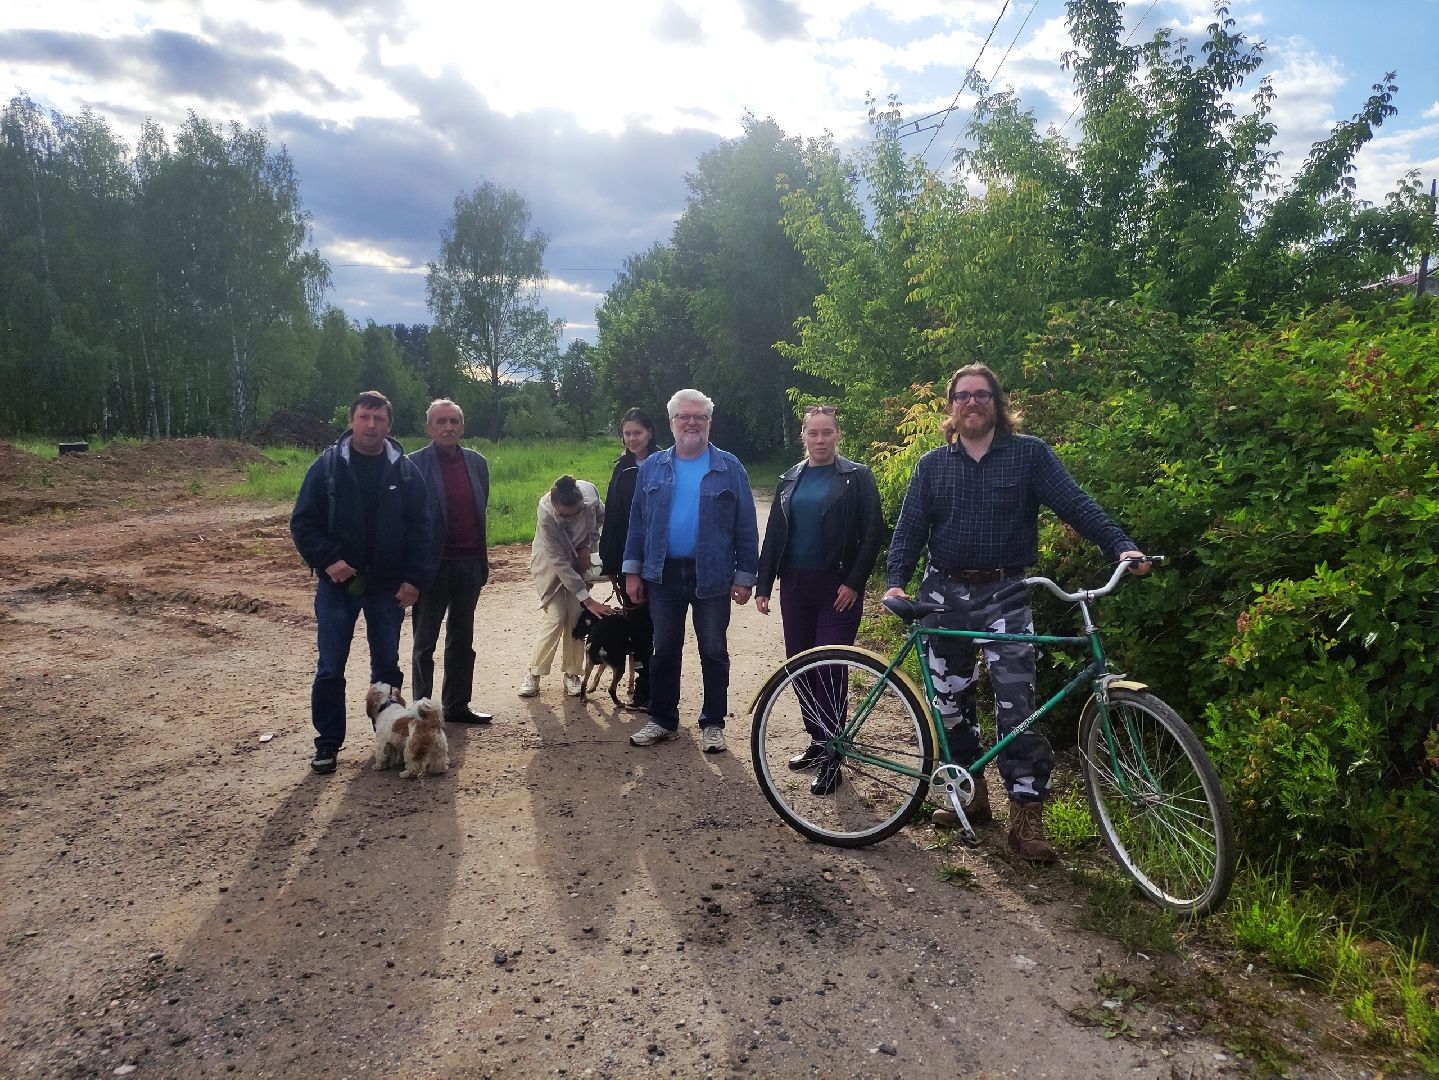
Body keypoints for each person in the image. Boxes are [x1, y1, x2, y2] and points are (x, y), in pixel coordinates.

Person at [885, 364, 1148, 860]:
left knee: (1018, 708)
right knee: (950, 706)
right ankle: (970, 794)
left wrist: (1121, 546)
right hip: (943, 595)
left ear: (997, 403)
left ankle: (1028, 818)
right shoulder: (931, 466)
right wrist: (896, 580)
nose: (972, 403)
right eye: (962, 396)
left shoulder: (1030, 456)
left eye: (982, 395)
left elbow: (1076, 504)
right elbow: (909, 530)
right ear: (951, 406)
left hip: (1007, 594)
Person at [290, 390, 436, 775]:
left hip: (388, 587)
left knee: (386, 667)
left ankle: (386, 741)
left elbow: (424, 530)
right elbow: (303, 523)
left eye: (379, 419)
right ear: (352, 421)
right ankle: (327, 744)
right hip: (339, 585)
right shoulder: (327, 468)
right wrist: (327, 560)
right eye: (364, 417)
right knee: (330, 667)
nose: (371, 425)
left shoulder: (405, 471)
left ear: (389, 425)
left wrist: (414, 581)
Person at [755, 404, 885, 795]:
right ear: (803, 437)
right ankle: (817, 740)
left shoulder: (857, 477)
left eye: (827, 433)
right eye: (813, 433)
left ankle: (833, 756)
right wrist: (763, 585)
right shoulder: (789, 478)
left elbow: (872, 532)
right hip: (795, 586)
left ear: (837, 435)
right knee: (800, 667)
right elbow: (775, 534)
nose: (820, 440)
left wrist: (854, 582)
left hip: (837, 590)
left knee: (829, 670)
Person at [622, 389, 759, 754]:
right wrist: (632, 572)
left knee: (713, 649)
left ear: (709, 422)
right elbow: (637, 523)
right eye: (685, 416)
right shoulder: (653, 467)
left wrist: (745, 576)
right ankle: (663, 719)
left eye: (700, 416)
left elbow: (746, 525)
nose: (692, 422)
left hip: (712, 575)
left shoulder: (730, 467)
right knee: (664, 648)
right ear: (671, 423)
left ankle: (713, 722)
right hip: (663, 575)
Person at [408, 398, 492, 726]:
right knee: (424, 643)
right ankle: (422, 712)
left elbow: (479, 510)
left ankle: (457, 705)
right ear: (429, 428)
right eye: (441, 422)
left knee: (462, 640)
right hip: (432, 568)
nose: (448, 427)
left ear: (462, 426)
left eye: (454, 421)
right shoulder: (413, 464)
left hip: (469, 564)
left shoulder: (477, 463)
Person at [519, 475, 614, 699]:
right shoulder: (546, 512)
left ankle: (572, 674)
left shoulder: (589, 495)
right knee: (556, 616)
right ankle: (534, 673)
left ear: (582, 503)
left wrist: (587, 546)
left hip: (580, 560)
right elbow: (559, 561)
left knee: (575, 615)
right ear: (555, 506)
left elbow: (603, 518)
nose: (571, 519)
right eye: (565, 515)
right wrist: (588, 599)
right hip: (551, 562)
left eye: (576, 514)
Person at [598, 407, 661, 711]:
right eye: (627, 433)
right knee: (637, 626)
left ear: (650, 432)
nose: (633, 438)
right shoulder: (622, 469)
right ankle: (643, 688)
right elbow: (612, 518)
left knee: (661, 625)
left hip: (663, 558)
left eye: (638, 432)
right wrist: (611, 564)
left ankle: (662, 684)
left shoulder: (667, 462)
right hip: (629, 561)